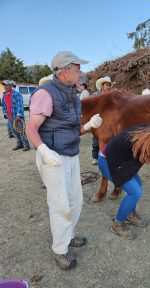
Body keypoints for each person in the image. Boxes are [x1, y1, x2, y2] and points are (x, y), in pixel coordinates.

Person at [26, 51, 102, 270]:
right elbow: (32, 129)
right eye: (78, 69)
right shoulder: (45, 93)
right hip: (53, 157)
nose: (81, 73)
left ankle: (68, 235)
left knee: (75, 200)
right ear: (66, 70)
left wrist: (88, 127)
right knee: (60, 205)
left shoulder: (71, 93)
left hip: (70, 153)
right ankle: (60, 250)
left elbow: (70, 128)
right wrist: (43, 150)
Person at [91, 76, 114, 165]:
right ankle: (95, 157)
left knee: (109, 138)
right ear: (102, 86)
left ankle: (106, 156)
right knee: (96, 138)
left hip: (108, 120)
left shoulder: (112, 96)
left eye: (109, 85)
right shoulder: (94, 95)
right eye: (107, 85)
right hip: (97, 119)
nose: (108, 87)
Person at [1, 80, 30, 150]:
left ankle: (26, 145)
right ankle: (19, 144)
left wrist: (19, 115)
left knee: (21, 131)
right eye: (4, 85)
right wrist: (5, 114)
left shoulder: (16, 94)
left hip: (17, 116)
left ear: (10, 86)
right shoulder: (4, 95)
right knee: (14, 132)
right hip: (10, 116)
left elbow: (19, 105)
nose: (5, 87)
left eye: (7, 85)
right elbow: (4, 106)